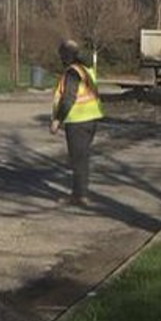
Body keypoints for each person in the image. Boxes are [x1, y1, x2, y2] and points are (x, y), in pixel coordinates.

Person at [50, 39, 104, 206]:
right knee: (82, 158)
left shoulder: (72, 72)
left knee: (78, 159)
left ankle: (79, 196)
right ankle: (81, 193)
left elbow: (68, 99)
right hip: (92, 118)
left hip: (78, 120)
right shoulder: (86, 69)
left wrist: (57, 120)